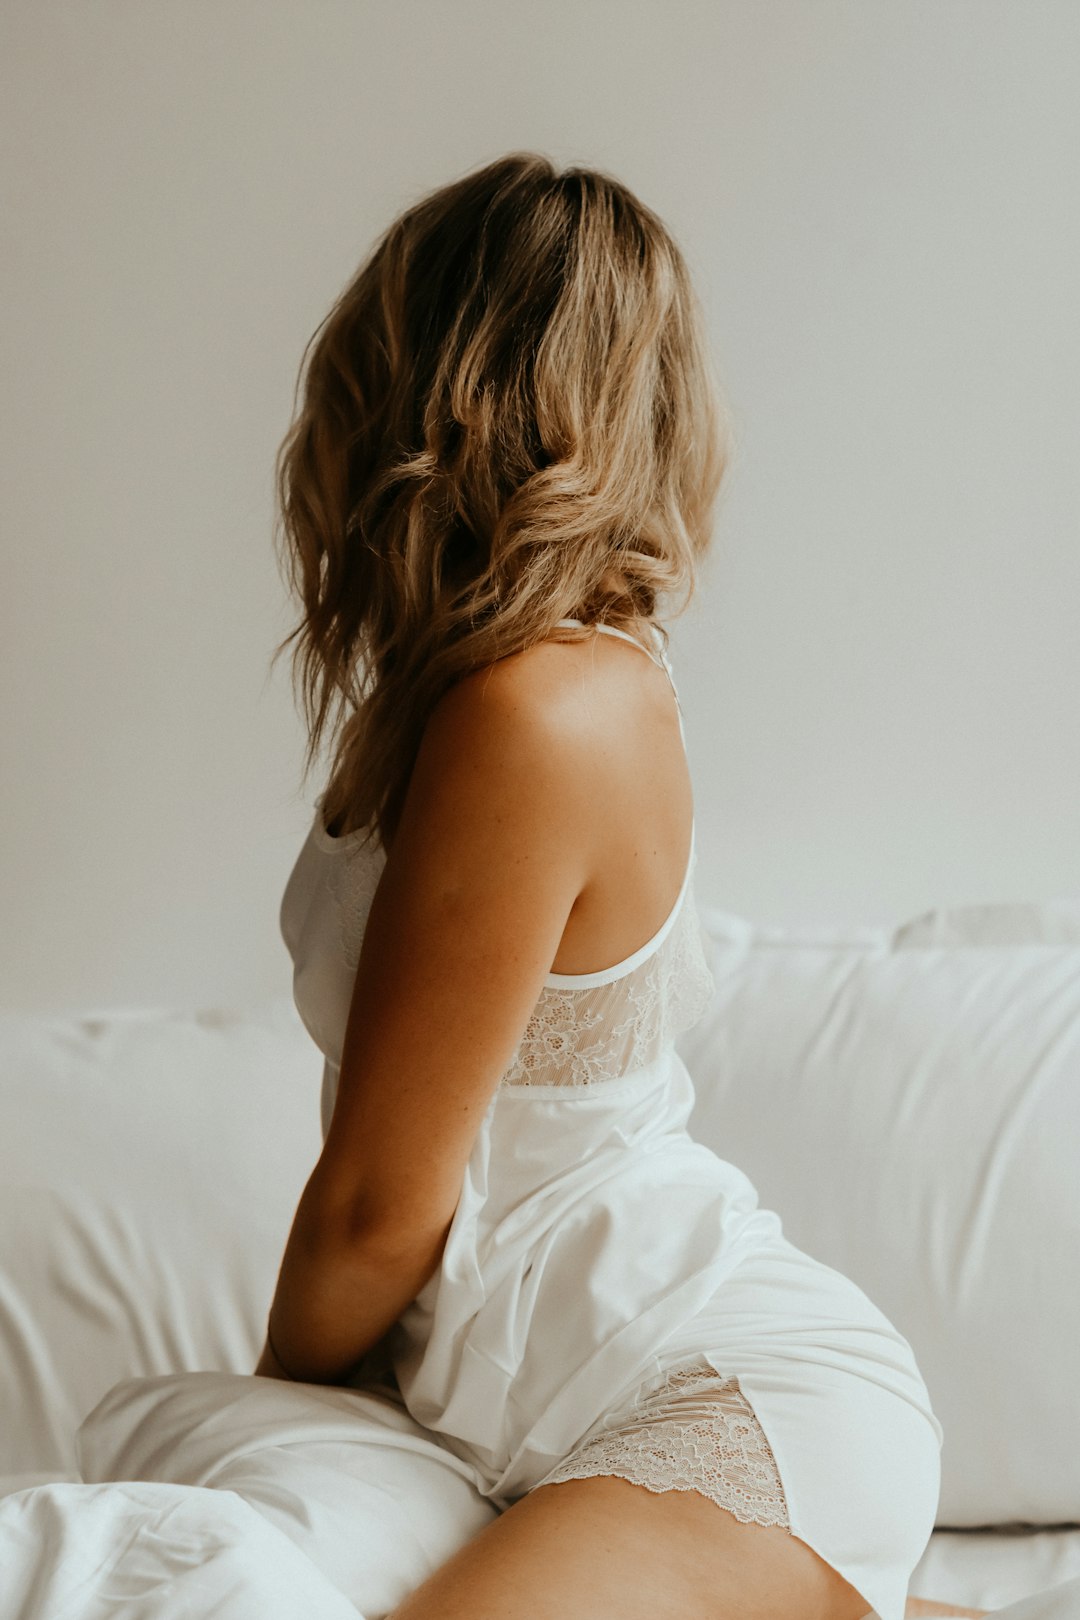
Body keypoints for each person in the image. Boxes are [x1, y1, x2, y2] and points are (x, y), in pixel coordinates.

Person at [260, 151, 945, 1620]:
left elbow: (383, 1204)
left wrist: (267, 1419)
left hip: (713, 1394)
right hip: (532, 1416)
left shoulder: (541, 715)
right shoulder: (458, 700)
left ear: (416, 377)